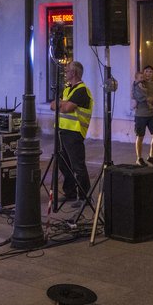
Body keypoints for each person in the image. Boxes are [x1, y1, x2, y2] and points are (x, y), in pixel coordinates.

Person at [51, 61, 92, 204]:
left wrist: (62, 103)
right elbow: (53, 105)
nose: (65, 73)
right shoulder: (67, 89)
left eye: (67, 71)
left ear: (74, 73)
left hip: (74, 132)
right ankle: (70, 193)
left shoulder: (82, 90)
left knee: (77, 166)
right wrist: (62, 103)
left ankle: (85, 197)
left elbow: (65, 108)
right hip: (62, 131)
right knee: (63, 164)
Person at [131, 65, 153, 167]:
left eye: (150, 72)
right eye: (146, 71)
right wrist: (149, 99)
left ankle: (151, 156)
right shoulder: (138, 84)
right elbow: (138, 96)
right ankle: (139, 158)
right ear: (143, 73)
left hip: (152, 114)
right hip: (140, 114)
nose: (148, 74)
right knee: (140, 136)